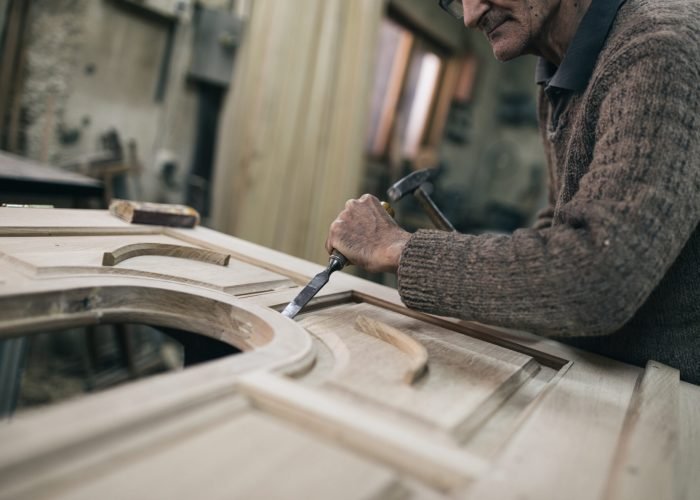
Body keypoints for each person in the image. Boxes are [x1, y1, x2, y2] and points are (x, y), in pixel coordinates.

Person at [325, 0, 700, 384]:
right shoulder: (560, 67)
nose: (470, 16)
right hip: (601, 372)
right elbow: (559, 225)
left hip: (670, 395)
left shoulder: (659, 46)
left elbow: (597, 278)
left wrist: (398, 249)